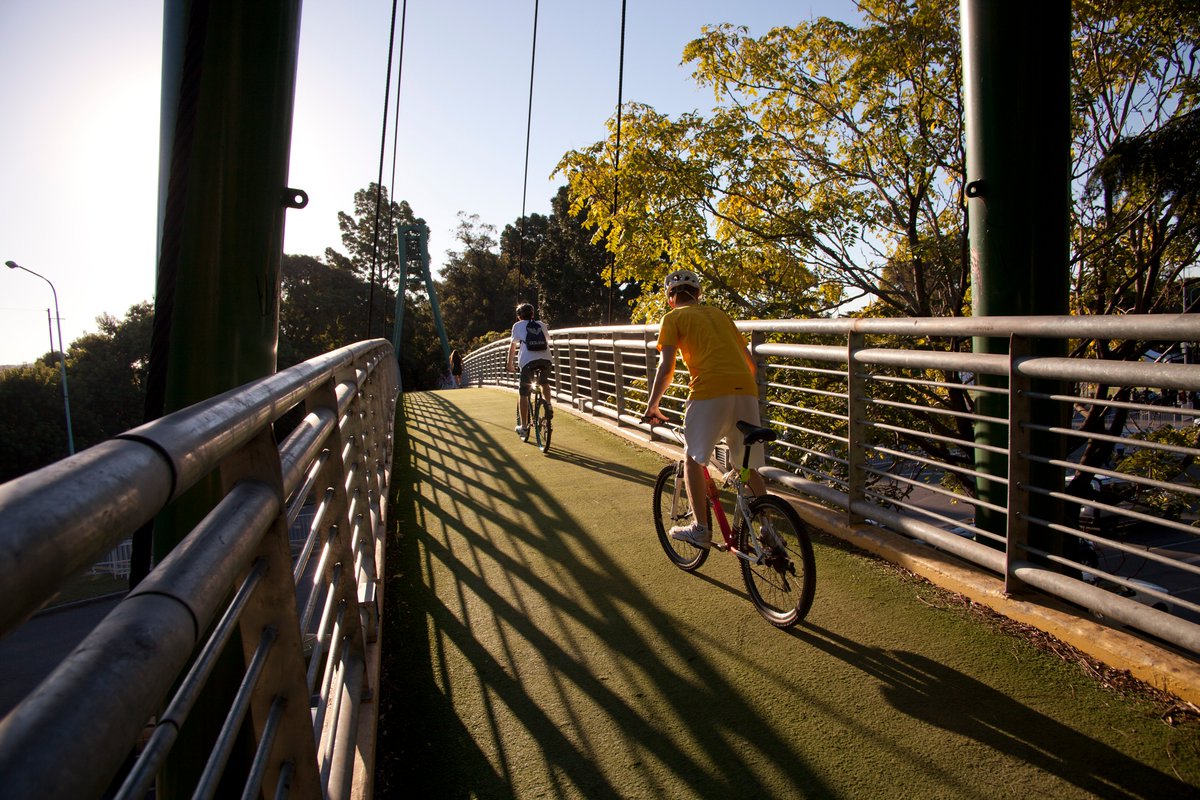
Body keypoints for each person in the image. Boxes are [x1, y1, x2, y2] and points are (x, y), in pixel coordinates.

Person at [642, 268, 767, 549]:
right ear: (699, 294)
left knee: (693, 459)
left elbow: (667, 367)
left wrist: (653, 404)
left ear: (670, 299)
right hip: (745, 391)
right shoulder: (721, 316)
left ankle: (700, 528)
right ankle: (768, 527)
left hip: (709, 392)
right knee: (745, 467)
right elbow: (750, 364)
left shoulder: (673, 318)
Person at [506, 302, 554, 436]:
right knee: (544, 382)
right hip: (546, 360)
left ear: (519, 316)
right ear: (533, 314)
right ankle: (548, 405)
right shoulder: (541, 325)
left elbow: (513, 346)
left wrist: (510, 364)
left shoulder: (517, 326)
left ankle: (524, 428)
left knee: (524, 393)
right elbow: (546, 341)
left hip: (528, 362)